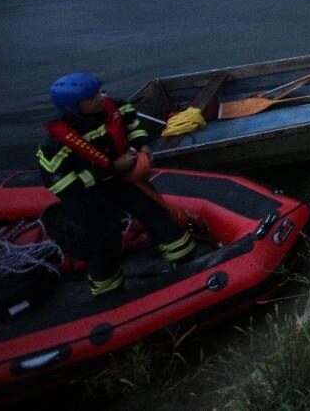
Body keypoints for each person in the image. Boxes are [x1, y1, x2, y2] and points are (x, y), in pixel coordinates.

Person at [36, 74, 196, 296]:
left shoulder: (117, 108)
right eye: (92, 98)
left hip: (125, 180)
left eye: (100, 92)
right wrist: (110, 170)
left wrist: (141, 147)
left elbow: (133, 126)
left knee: (160, 218)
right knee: (102, 247)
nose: (101, 98)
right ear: (74, 107)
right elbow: (62, 187)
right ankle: (109, 296)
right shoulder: (55, 145)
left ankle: (190, 268)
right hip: (89, 198)